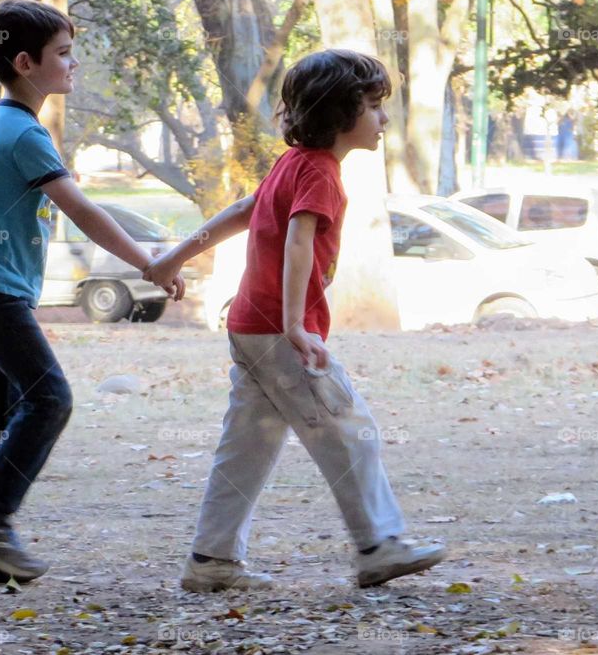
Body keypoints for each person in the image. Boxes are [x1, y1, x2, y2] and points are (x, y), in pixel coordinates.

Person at [145, 50, 446, 591]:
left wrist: (175, 257)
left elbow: (246, 209)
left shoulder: (295, 165)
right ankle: (380, 544)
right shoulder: (320, 173)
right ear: (341, 111)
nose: (382, 120)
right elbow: (298, 240)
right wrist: (295, 324)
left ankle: (211, 562)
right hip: (277, 332)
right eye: (375, 107)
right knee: (350, 429)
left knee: (247, 446)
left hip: (250, 327)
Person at [0, 0, 184, 583]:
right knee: (51, 399)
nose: (74, 64)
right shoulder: (24, 133)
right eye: (64, 54)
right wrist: (149, 262)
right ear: (26, 63)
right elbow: (83, 211)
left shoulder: (0, 121)